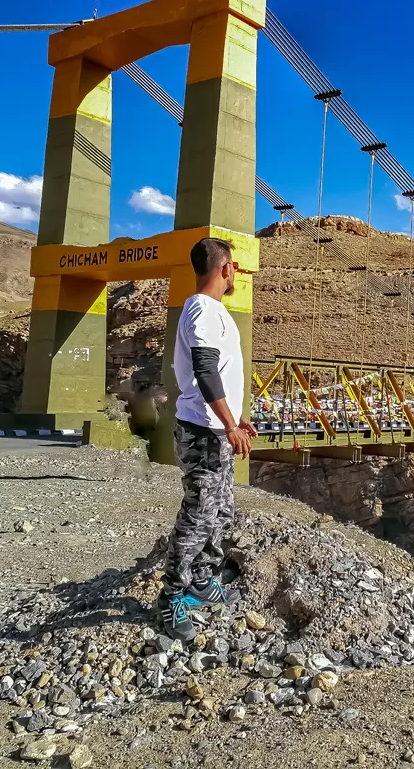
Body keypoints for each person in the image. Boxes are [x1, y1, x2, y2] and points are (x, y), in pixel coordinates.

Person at [158, 238, 258, 641]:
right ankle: (171, 597)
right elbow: (204, 369)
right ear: (225, 268)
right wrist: (229, 424)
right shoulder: (201, 308)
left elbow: (220, 374)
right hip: (203, 431)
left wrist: (236, 418)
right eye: (234, 266)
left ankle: (201, 579)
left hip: (216, 428)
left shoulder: (214, 311)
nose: (235, 273)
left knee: (220, 511)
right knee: (198, 514)